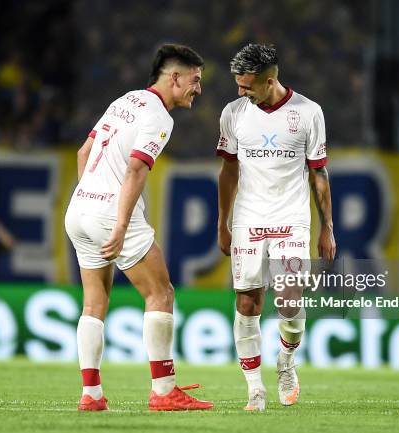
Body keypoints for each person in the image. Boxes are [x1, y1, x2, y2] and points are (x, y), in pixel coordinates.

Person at [65, 44, 213, 412]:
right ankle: (164, 391)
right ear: (174, 77)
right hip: (110, 213)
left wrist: (92, 195)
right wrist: (118, 223)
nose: (199, 89)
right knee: (160, 293)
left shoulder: (125, 100)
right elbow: (134, 169)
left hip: (78, 209)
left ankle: (91, 395)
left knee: (93, 303)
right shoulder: (160, 117)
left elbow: (84, 153)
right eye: (195, 81)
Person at [216, 44, 336, 411]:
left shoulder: (309, 112)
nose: (241, 92)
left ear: (270, 81)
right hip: (249, 218)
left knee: (288, 301)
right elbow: (229, 171)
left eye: (247, 86)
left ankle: (286, 362)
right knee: (247, 302)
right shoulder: (233, 113)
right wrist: (223, 222)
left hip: (291, 218)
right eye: (237, 85)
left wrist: (327, 227)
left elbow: (319, 174)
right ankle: (255, 389)